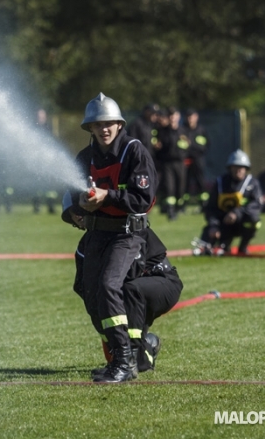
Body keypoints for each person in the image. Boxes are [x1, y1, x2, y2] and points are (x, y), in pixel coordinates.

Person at [63, 92, 157, 383]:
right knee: (88, 291)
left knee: (107, 286)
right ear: (89, 128)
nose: (104, 128)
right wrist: (74, 211)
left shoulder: (135, 151)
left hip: (126, 234)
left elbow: (144, 199)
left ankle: (124, 362)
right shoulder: (85, 157)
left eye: (109, 123)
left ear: (119, 124)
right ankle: (127, 354)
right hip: (96, 233)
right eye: (97, 124)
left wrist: (107, 197)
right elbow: (69, 192)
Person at [62, 193, 182, 378]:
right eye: (72, 215)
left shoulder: (124, 234)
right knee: (99, 297)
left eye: (79, 210)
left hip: (161, 281)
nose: (78, 217)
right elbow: (82, 287)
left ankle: (135, 353)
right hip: (131, 296)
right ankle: (143, 348)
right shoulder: (86, 246)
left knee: (128, 289)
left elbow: (128, 275)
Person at [196, 149, 262, 255]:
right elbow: (210, 207)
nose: (238, 170)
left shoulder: (252, 183)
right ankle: (222, 244)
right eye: (235, 167)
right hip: (223, 223)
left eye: (241, 167)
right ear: (230, 167)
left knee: (254, 219)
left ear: (246, 169)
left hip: (241, 223)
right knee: (207, 247)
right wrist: (214, 225)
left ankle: (243, 246)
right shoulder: (221, 183)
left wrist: (237, 213)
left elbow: (257, 204)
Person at [155, 107, 187, 220]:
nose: (172, 118)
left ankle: (180, 207)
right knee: (169, 187)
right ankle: (170, 211)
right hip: (167, 163)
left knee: (180, 187)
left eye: (175, 116)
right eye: (170, 116)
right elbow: (158, 146)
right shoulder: (162, 131)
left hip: (180, 163)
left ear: (178, 117)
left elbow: (188, 146)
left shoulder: (183, 131)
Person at [183, 108, 210, 211]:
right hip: (186, 160)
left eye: (192, 116)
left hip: (198, 159)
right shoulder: (183, 130)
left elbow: (205, 146)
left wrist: (191, 144)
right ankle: (183, 204)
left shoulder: (201, 130)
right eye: (188, 117)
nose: (190, 119)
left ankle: (204, 204)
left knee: (200, 182)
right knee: (185, 182)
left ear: (196, 117)